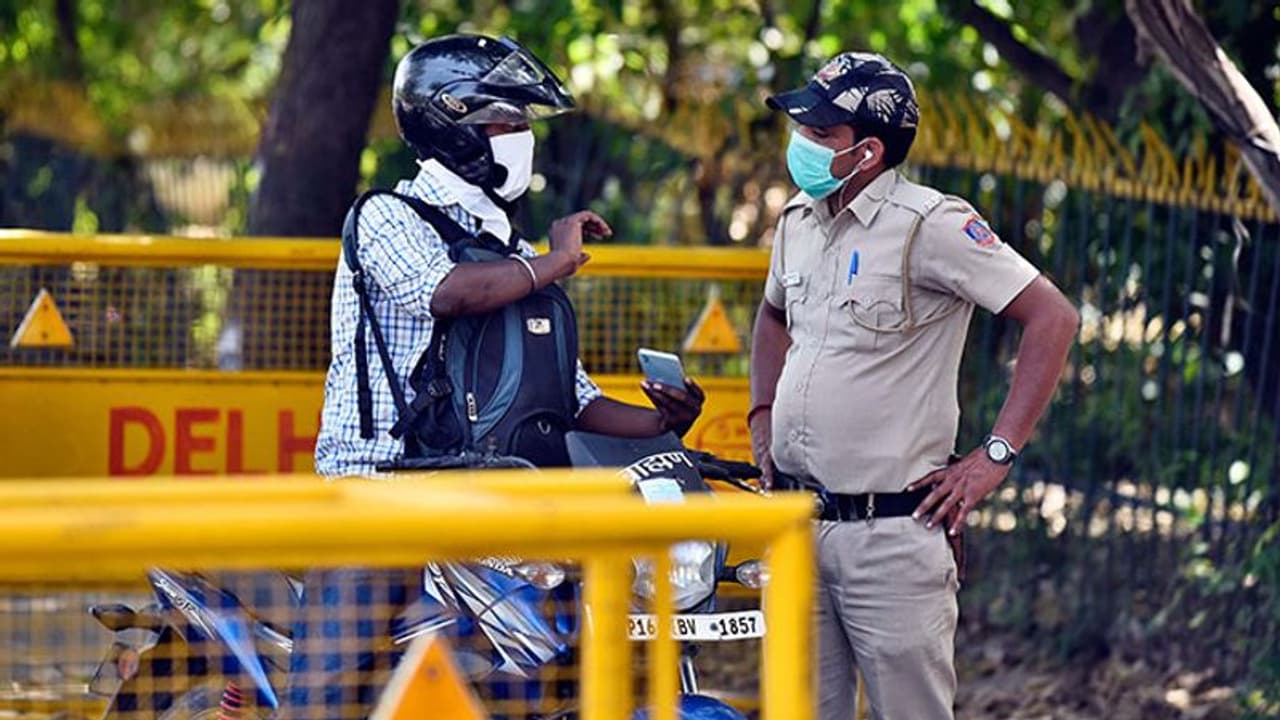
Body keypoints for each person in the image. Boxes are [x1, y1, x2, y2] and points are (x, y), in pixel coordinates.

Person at [294, 34, 705, 719]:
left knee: (558, 667)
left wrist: (662, 421)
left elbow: (572, 400)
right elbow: (446, 291)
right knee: (324, 700)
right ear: (452, 126)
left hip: (494, 500)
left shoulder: (508, 253)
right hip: (379, 495)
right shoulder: (385, 218)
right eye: (507, 123)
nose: (522, 140)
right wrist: (556, 262)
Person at [748, 52, 1079, 720]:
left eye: (820, 134)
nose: (802, 145)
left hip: (892, 537)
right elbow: (772, 316)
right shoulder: (798, 223)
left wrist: (993, 458)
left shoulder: (931, 225)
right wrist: (762, 416)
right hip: (795, 522)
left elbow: (1053, 316)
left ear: (868, 151)